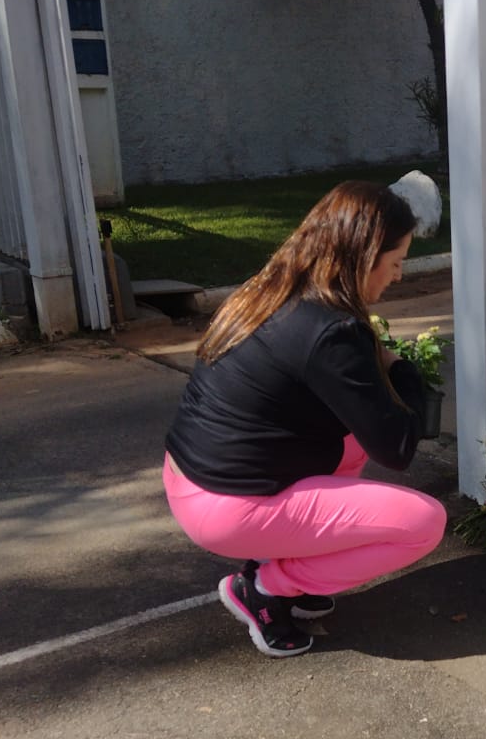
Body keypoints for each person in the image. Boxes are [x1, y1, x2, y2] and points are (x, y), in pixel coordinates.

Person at [162, 178, 447, 657]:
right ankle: (268, 589)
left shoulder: (270, 289)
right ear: (363, 256)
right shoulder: (332, 332)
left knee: (352, 439)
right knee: (424, 523)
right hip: (229, 508)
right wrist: (405, 372)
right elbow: (397, 449)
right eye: (395, 263)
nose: (397, 276)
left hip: (189, 479)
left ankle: (288, 564)